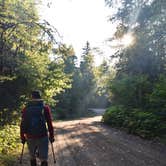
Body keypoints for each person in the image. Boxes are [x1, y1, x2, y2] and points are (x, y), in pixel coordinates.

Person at [20, 90, 55, 166]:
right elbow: (49, 123)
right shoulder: (45, 108)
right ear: (40, 97)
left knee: (32, 157)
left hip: (30, 137)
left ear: (31, 98)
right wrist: (51, 136)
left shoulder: (25, 109)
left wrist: (22, 137)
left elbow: (22, 124)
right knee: (44, 159)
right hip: (43, 136)